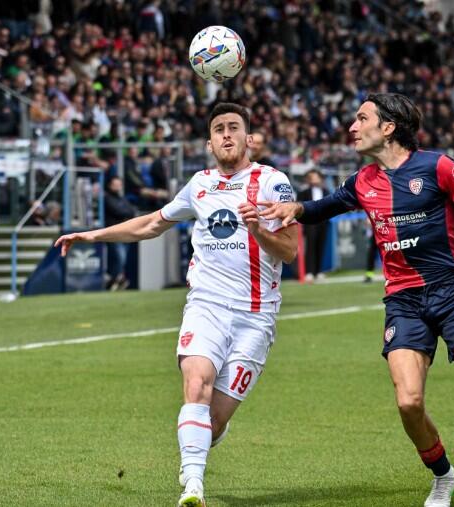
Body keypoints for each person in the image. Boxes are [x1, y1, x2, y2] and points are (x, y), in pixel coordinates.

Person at [259, 93, 454, 507]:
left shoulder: (437, 167)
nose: (352, 127)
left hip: (453, 289)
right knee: (409, 402)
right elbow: (324, 207)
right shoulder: (362, 181)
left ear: (389, 127)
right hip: (404, 301)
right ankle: (443, 476)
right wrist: (296, 208)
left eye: (362, 119)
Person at [55, 102, 298, 507]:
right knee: (196, 384)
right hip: (206, 305)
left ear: (250, 139)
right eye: (218, 129)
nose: (226, 134)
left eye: (233, 127)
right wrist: (92, 235)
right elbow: (152, 223)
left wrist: (258, 230)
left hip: (256, 315)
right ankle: (193, 487)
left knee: (212, 420)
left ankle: (204, 437)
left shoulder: (274, 183)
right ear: (209, 143)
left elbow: (289, 251)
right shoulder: (199, 185)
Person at [103, 176, 138, 290]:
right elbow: (118, 211)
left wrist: (126, 213)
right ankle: (113, 280)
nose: (118, 186)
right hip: (113, 233)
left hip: (125, 232)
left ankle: (116, 281)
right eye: (115, 184)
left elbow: (131, 211)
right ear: (110, 185)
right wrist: (126, 213)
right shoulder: (107, 198)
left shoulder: (122, 198)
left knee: (122, 259)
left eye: (119, 184)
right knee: (119, 258)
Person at [297, 169, 330, 281]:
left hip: (323, 222)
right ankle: (309, 272)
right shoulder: (304, 192)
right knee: (310, 247)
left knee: (321, 246)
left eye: (316, 177)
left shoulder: (326, 191)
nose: (314, 179)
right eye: (311, 177)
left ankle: (319, 271)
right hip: (309, 222)